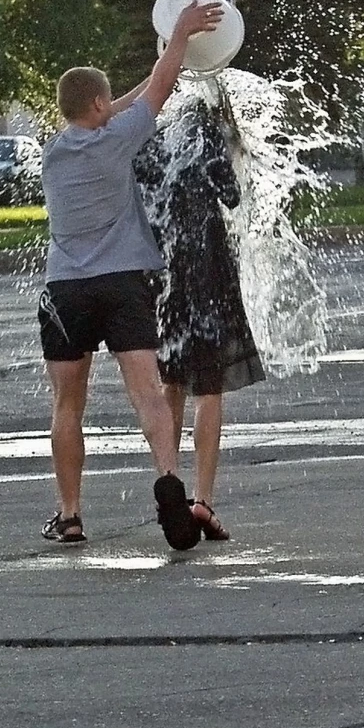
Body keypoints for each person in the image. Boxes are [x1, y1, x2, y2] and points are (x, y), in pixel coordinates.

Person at [38, 0, 224, 550]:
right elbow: (157, 96)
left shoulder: (54, 152)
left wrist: (161, 62)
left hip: (65, 289)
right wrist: (182, 37)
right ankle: (168, 479)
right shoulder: (118, 142)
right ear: (99, 103)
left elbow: (119, 106)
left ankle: (70, 515)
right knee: (147, 393)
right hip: (123, 285)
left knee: (68, 404)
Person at [135, 94, 266, 541]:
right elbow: (230, 195)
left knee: (169, 382)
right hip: (209, 268)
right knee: (209, 389)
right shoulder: (201, 126)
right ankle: (203, 501)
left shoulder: (143, 132)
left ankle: (169, 485)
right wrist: (233, 138)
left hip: (162, 269)